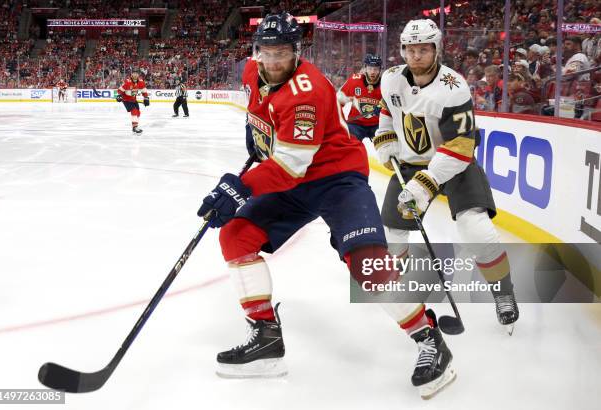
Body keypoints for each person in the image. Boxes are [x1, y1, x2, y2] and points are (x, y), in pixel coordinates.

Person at [197, 12, 455, 399]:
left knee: (368, 266)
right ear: (256, 52)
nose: (273, 61)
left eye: (282, 53)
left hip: (336, 179)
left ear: (296, 52)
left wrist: (239, 188)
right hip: (295, 181)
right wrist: (257, 139)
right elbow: (261, 120)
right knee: (237, 236)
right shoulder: (253, 72)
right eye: (265, 52)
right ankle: (266, 336)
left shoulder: (308, 91)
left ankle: (429, 339)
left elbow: (288, 166)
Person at [372, 19, 519, 332]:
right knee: (390, 235)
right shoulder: (391, 79)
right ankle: (397, 292)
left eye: (423, 49)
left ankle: (503, 292)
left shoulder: (454, 87)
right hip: (411, 164)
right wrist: (385, 137)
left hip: (454, 164)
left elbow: (461, 145)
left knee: (476, 230)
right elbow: (388, 111)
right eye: (410, 49)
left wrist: (425, 184)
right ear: (402, 50)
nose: (416, 56)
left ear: (436, 49)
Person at [336, 54, 383, 141]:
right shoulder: (355, 80)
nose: (372, 71)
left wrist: (384, 108)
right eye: (370, 68)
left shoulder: (385, 83)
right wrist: (340, 120)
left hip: (377, 125)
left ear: (380, 70)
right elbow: (338, 98)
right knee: (348, 142)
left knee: (388, 143)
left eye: (376, 69)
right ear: (365, 68)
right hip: (356, 124)